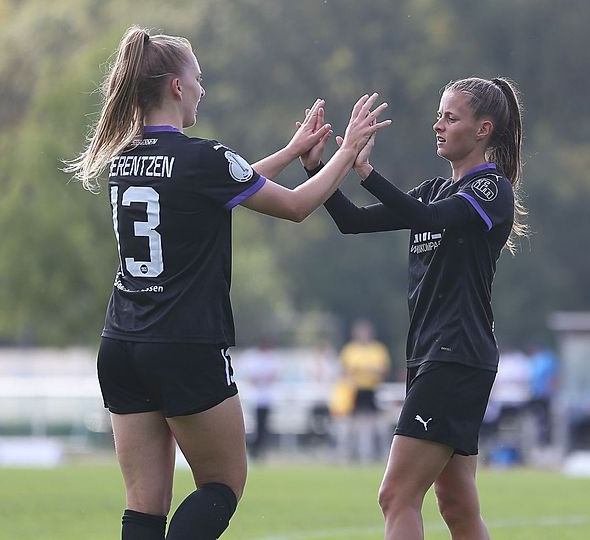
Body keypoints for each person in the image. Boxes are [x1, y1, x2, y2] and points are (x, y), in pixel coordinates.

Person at [65, 25, 390, 539]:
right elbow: (297, 206)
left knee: (145, 506)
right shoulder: (204, 159)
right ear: (176, 86)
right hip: (185, 343)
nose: (202, 88)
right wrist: (346, 153)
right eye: (198, 77)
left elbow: (215, 192)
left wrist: (288, 152)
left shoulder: (124, 159)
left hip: (122, 344)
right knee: (222, 484)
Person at [301, 77, 526, 540]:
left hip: (455, 355)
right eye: (438, 114)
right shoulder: (430, 190)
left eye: (450, 116)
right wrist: (317, 166)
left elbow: (425, 219)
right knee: (458, 504)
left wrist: (365, 172)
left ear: (483, 129)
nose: (438, 124)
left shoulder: (490, 190)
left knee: (396, 495)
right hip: (435, 356)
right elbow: (352, 222)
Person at [339, 318, 391, 462]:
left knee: (377, 426)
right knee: (353, 426)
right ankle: (351, 455)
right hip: (355, 391)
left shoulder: (378, 349)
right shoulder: (350, 350)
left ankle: (378, 455)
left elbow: (383, 370)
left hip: (373, 390)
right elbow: (345, 371)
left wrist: (368, 371)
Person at [238, 339, 279, 460]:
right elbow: (249, 376)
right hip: (254, 398)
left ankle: (259, 450)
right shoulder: (252, 357)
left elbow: (273, 375)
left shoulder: (271, 358)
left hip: (266, 398)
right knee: (255, 426)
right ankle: (253, 450)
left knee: (264, 426)